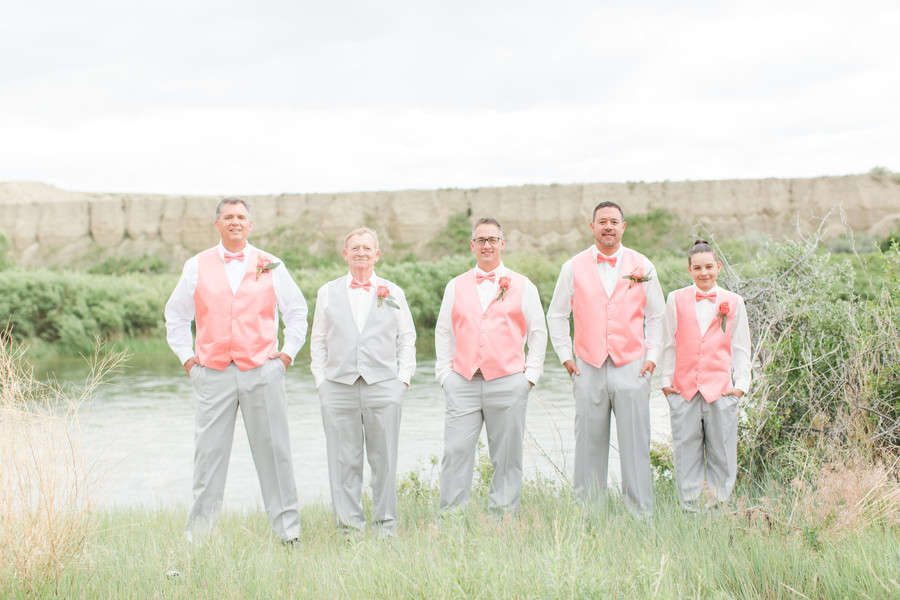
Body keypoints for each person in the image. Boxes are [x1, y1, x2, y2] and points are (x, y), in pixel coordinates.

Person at [164, 198, 307, 544]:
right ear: (217, 224)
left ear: (250, 225)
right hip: (212, 373)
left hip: (262, 371)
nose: (235, 222)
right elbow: (176, 316)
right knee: (208, 458)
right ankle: (198, 538)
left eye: (241, 217)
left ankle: (288, 534)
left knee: (275, 453)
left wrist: (286, 357)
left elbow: (297, 311)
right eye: (228, 217)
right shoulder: (196, 265)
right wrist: (188, 360)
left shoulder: (271, 264)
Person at [546, 201, 664, 515]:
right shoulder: (573, 267)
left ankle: (640, 516)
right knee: (588, 446)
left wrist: (652, 357)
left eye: (614, 221)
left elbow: (657, 316)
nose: (608, 226)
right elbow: (556, 315)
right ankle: (589, 516)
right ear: (592, 227)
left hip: (632, 366)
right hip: (588, 366)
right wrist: (565, 357)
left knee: (635, 445)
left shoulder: (643, 265)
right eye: (602, 221)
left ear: (623, 226)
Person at [435, 217, 547, 515]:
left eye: (492, 240)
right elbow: (444, 331)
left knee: (507, 456)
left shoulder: (523, 285)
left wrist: (530, 377)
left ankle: (503, 519)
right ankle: (452, 519)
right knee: (455, 452)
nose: (487, 245)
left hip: (509, 381)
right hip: (463, 381)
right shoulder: (455, 286)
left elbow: (538, 332)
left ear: (502, 243)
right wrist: (445, 374)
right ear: (472, 245)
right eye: (481, 240)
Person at [309, 227, 416, 534]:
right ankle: (349, 529)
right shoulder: (327, 292)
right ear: (345, 254)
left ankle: (385, 527)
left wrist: (402, 381)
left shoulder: (393, 292)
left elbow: (407, 338)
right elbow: (318, 340)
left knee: (384, 460)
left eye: (367, 248)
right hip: (338, 387)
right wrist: (321, 382)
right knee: (343, 461)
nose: (361, 252)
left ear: (377, 254)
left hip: (383, 386)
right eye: (355, 247)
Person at [660, 240, 751, 510]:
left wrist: (740, 385)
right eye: (698, 268)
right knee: (686, 452)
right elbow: (668, 344)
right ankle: (690, 508)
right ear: (689, 269)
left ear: (718, 267)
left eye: (709, 267)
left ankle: (719, 506)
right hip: (684, 390)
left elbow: (741, 347)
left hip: (720, 390)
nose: (704, 273)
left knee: (722, 452)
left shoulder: (734, 302)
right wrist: (666, 383)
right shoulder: (675, 299)